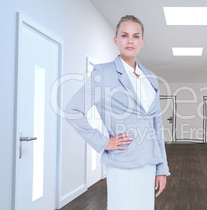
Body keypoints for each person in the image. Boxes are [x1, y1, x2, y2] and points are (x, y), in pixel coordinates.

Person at [66, 15, 170, 210]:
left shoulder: (151, 77)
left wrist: (162, 168)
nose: (130, 40)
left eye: (135, 36)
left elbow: (156, 125)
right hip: (123, 161)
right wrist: (104, 142)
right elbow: (73, 110)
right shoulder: (104, 73)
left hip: (149, 161)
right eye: (124, 35)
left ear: (142, 41)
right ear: (116, 40)